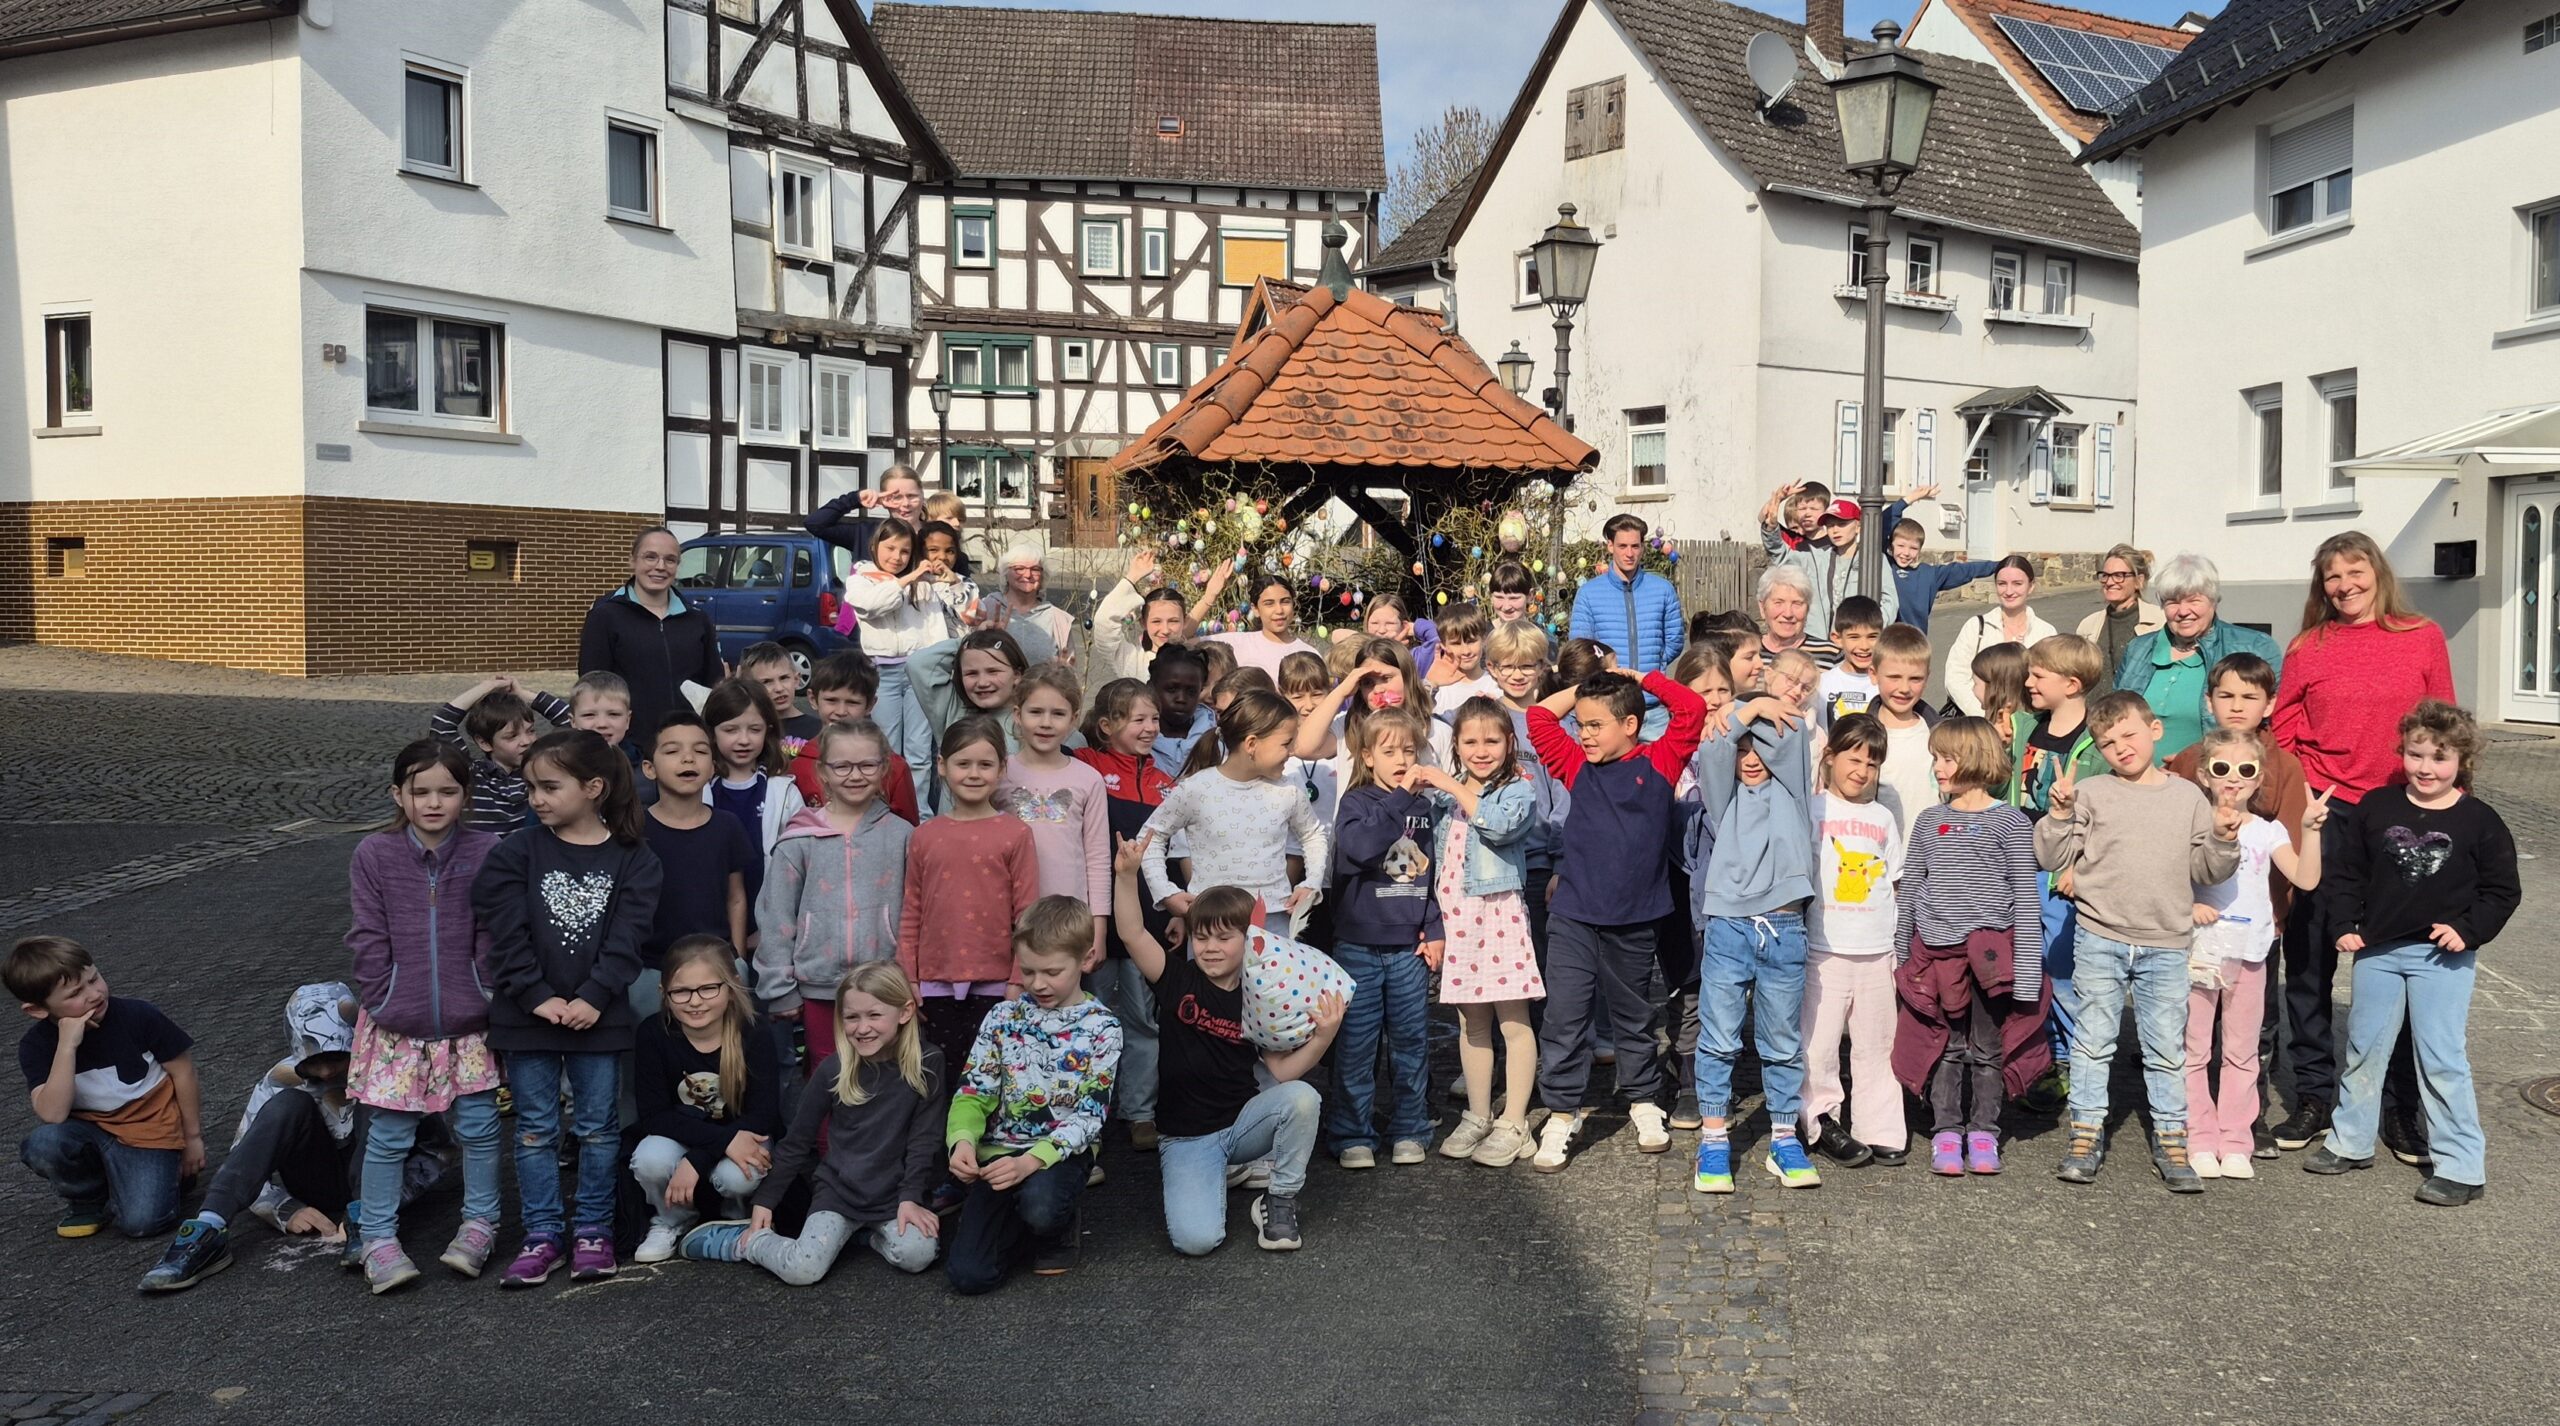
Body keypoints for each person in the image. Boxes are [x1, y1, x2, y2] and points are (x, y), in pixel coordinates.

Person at [2267, 531, 2453, 1152]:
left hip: (2402, 812)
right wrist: (2303, 793)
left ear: (2378, 572)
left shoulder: (2422, 636)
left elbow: (2444, 727)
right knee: (2311, 956)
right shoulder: (2309, 645)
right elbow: (2283, 729)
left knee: (2400, 957)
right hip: (2327, 812)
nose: (2344, 585)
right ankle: (2313, 1095)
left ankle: (2400, 1107)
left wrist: (2450, 808)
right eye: (2332, 576)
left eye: (2355, 571)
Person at [2305, 702, 2519, 1207]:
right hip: (2378, 950)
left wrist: (2468, 929)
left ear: (2462, 761)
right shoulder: (2376, 807)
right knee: (2364, 1047)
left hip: (2441, 959)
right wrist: (2344, 924)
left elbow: (2502, 890)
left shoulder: (2480, 820)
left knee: (2441, 1057)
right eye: (2415, 754)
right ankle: (2351, 1140)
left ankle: (2461, 1166)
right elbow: (2346, 873)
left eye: (2440, 758)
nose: (2426, 768)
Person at [473, 730, 662, 1287]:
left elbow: (628, 938)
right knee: (535, 1130)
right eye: (530, 787)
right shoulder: (516, 851)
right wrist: (537, 995)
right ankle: (542, 1234)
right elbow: (504, 934)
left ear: (593, 787)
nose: (536, 798)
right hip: (525, 1018)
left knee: (598, 1129)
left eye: (550, 787)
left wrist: (593, 996)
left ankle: (593, 1231)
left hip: (598, 1020)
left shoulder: (634, 859)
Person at [2036, 692, 2240, 1192]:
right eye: (2108, 743)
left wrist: (2222, 837)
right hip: (2100, 935)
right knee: (2092, 1042)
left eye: (2129, 734)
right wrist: (2059, 813)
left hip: (2166, 941)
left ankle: (2172, 1139)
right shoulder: (2091, 793)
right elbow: (2050, 857)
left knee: (2166, 1047)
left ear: (2154, 730)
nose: (2121, 748)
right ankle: (2085, 1135)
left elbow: (2207, 870)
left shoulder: (2189, 797)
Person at [1111, 838, 1345, 1254]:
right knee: (1197, 1241)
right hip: (1186, 1137)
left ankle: (1279, 1198)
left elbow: (1282, 1072)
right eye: (1202, 938)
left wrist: (1324, 1035)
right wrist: (1127, 876)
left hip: (1241, 1127)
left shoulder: (1262, 995)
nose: (1211, 948)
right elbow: (1131, 933)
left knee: (1303, 1098)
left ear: (1249, 939)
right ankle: (1213, 1174)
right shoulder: (1176, 977)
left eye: (1223, 938)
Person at [140, 983, 450, 1294]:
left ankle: (367, 1222)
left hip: (381, 1184)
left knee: (377, 1096)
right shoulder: (281, 1078)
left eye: (335, 1058)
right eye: (314, 1063)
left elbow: (438, 1150)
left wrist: (386, 1202)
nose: (326, 1072)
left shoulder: (391, 1068)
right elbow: (244, 1159)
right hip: (318, 1181)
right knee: (287, 1103)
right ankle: (208, 1228)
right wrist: (283, 1208)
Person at [1523, 666, 1708, 1171]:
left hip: (1636, 919)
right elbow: (1539, 717)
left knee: (1633, 1017)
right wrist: (1589, 687)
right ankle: (1562, 1112)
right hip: (1574, 917)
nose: (1583, 734)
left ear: (1630, 725)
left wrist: (1641, 679)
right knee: (1565, 1017)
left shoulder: (1660, 761)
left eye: (1595, 725)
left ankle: (1643, 1100)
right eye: (1580, 724)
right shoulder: (1574, 764)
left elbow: (1691, 709)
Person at [341, 739, 505, 1285]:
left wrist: (483, 993)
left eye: (447, 791)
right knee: (389, 1134)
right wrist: (383, 997)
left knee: (479, 1127)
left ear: (466, 795)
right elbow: (368, 933)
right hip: (396, 1024)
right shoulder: (374, 854)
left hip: (471, 1024)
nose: (434, 803)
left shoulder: (487, 850)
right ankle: (377, 1238)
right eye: (421, 791)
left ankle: (480, 1224)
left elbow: (493, 932)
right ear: (398, 794)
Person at [679, 962, 946, 1282]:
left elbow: (924, 1139)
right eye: (852, 1017)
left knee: (917, 1254)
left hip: (893, 1197)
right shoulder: (834, 1069)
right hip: (839, 1195)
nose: (862, 1028)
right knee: (803, 1270)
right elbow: (796, 1142)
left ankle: (865, 1237)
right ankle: (743, 1243)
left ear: (905, 1012)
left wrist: (911, 1198)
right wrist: (765, 1201)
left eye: (874, 1015)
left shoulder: (927, 1063)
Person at [1890, 718, 2046, 1177]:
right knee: (1945, 1044)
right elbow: (1911, 887)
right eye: (1935, 758)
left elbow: (2025, 896)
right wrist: (1902, 953)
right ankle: (1945, 1130)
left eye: (1947, 758)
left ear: (1975, 758)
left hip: (1991, 962)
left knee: (1987, 1047)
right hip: (1937, 954)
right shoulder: (1929, 820)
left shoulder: (2010, 822)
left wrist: (2028, 971)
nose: (1938, 767)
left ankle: (1983, 1132)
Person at [943, 897, 1122, 1291]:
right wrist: (962, 1140)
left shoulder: (1103, 1027)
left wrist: (1029, 1163)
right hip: (998, 1155)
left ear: (1086, 959)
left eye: (1052, 972)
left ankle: (1054, 1226)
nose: (1038, 984)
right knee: (970, 1276)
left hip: (1060, 1154)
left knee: (1041, 1206)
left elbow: (1090, 1117)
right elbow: (973, 1090)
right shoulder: (1001, 1017)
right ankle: (1016, 1222)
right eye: (1027, 971)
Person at [2181, 731, 2328, 1180]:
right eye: (2221, 768)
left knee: (2242, 1052)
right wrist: (2189, 905)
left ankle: (2235, 1140)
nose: (2233, 778)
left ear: (2259, 777)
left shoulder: (2268, 830)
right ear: (2204, 775)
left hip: (2250, 952)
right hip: (2199, 952)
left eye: (2246, 769)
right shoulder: (2192, 823)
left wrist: (2310, 831)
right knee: (2193, 1050)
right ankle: (2198, 1136)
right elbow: (2169, 877)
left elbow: (2305, 879)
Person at [1688, 687, 1819, 1192]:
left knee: (1782, 1042)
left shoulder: (1792, 791)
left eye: (1759, 747)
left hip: (1784, 929)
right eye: (1743, 748)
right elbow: (1713, 749)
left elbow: (1793, 737)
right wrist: (1748, 710)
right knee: (1719, 1038)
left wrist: (1764, 711)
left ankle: (1784, 1138)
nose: (1750, 758)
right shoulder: (1725, 798)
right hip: (1729, 926)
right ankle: (1714, 1138)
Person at [1411, 698, 1545, 1168]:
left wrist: (1449, 783)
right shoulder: (1445, 799)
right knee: (1471, 1022)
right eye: (1470, 741)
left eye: (1491, 740)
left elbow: (1501, 827)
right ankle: (1478, 1113)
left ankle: (1515, 1122)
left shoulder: (1517, 789)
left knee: (1513, 1020)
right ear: (1457, 744)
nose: (1481, 750)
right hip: (1458, 919)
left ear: (1510, 742)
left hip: (1499, 916)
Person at [11, 935, 203, 1241]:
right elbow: (53, 1114)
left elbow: (184, 1073)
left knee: (142, 1223)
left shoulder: (139, 1016)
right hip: (92, 1132)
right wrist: (66, 1046)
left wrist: (192, 1138)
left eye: (94, 978)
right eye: (76, 993)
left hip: (151, 1133)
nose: (94, 994)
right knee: (43, 1143)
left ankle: (167, 1177)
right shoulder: (36, 1045)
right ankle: (89, 1198)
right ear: (37, 1010)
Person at [756, 719, 913, 1073]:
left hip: (885, 985)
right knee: (828, 1073)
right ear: (823, 771)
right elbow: (776, 915)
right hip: (820, 986)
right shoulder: (800, 838)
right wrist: (779, 987)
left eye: (867, 765)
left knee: (885, 1074)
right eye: (842, 766)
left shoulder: (903, 835)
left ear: (884, 769)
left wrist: (910, 977)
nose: (855, 775)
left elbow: (916, 913)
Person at [1325, 707, 1444, 1169]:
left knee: (1412, 1041)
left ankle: (1410, 1127)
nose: (1402, 759)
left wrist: (1434, 929)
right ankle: (1353, 1133)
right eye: (1389, 751)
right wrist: (1397, 800)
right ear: (1367, 756)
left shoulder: (1424, 809)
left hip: (1408, 946)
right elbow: (1358, 849)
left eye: (1409, 751)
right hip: (1358, 945)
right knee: (1356, 1043)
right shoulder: (1356, 803)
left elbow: (1429, 876)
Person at [898, 716, 1041, 1075]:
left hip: (997, 985)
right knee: (940, 1079)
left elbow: (1028, 915)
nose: (974, 774)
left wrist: (1017, 980)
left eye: (985, 765)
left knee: (992, 1080)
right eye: (963, 764)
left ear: (1002, 768)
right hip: (934, 986)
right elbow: (912, 909)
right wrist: (909, 977)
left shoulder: (1016, 834)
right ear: (942, 766)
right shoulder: (924, 835)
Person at [629, 939, 782, 1263]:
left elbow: (763, 1115)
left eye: (708, 988)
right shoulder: (653, 1034)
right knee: (650, 1159)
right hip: (684, 1134)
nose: (695, 1001)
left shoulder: (753, 1032)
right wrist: (714, 1146)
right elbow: (654, 1116)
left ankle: (734, 1218)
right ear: (664, 993)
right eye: (681, 992)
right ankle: (671, 1219)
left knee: (738, 1175)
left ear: (731, 987)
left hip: (744, 1136)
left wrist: (697, 1160)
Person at [1798, 714, 1906, 1170]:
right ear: (1830, 757)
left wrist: (1896, 942)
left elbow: (1894, 881)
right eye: (1853, 759)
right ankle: (1819, 1118)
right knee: (1819, 1042)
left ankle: (1879, 1126)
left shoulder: (1883, 816)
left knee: (1877, 1042)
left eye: (1871, 764)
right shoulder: (1813, 808)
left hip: (1877, 948)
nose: (1861, 771)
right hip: (1825, 947)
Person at [1073, 679, 1174, 1148]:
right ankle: (1085, 1114)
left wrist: (1176, 910)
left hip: (1145, 921)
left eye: (1154, 718)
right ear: (1106, 725)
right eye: (1138, 719)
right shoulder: (1084, 766)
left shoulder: (1165, 782)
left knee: (1142, 1018)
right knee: (1089, 1016)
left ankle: (1140, 1111)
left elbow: (1173, 854)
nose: (1150, 727)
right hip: (1092, 915)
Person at [1141, 690, 1331, 925]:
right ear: (1251, 744)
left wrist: (1311, 882)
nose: (1292, 751)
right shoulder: (1197, 789)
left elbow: (1312, 835)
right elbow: (1150, 838)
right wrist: (1166, 892)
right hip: (1211, 927)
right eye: (1286, 743)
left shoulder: (1288, 788)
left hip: (1274, 923)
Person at [637, 710, 756, 1020]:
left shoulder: (727, 826)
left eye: (700, 751)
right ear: (649, 768)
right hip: (650, 969)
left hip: (718, 968)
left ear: (713, 766)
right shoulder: (635, 830)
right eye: (673, 751)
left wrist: (737, 958)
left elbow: (736, 897)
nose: (688, 758)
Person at [998, 665, 1112, 968]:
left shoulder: (1088, 779)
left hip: (1069, 921)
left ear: (1074, 719)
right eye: (1036, 712)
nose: (1046, 723)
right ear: (1017, 714)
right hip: (1009, 915)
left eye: (1058, 714)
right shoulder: (999, 773)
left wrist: (1098, 929)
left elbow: (1098, 858)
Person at [2114, 554, 2282, 759]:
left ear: (2213, 602)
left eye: (2194, 600)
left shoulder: (2253, 647)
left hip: (2213, 773)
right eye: (2172, 602)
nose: (2183, 611)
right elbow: (2114, 714)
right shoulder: (2139, 649)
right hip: (2134, 773)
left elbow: (2272, 724)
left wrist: (2192, 762)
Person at [848, 515, 959, 812]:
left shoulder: (924, 584)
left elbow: (944, 623)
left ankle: (919, 812)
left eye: (905, 551)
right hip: (882, 673)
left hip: (917, 672)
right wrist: (907, 579)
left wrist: (949, 581)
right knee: (886, 747)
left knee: (920, 750)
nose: (897, 557)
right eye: (891, 548)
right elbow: (873, 606)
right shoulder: (861, 579)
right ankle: (888, 810)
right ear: (875, 546)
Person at [579, 527, 724, 743]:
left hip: (686, 743)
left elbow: (714, 684)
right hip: (630, 746)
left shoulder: (697, 619)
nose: (660, 566)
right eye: (650, 557)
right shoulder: (605, 616)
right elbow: (592, 687)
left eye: (670, 560)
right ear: (632, 561)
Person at [787, 652, 921, 824]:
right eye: (831, 700)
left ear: (870, 704)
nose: (841, 711)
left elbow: (908, 831)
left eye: (852, 702)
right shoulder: (799, 766)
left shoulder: (893, 767)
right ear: (813, 699)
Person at [1764, 498, 1900, 640]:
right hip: (1819, 640)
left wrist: (1870, 632)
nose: (1835, 530)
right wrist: (1771, 528)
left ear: (1858, 526)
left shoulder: (1873, 559)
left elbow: (1890, 601)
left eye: (1842, 524)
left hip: (1856, 641)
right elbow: (1781, 556)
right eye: (1830, 525)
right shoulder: (1816, 558)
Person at [703, 677, 807, 861]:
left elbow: (802, 851)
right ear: (711, 733)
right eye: (731, 730)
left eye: (754, 730)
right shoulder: (699, 788)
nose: (744, 740)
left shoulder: (785, 792)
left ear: (768, 731)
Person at [1569, 513, 1683, 677]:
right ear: (1610, 546)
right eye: (1622, 546)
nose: (1629, 553)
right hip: (1609, 690)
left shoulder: (1663, 590)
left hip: (1651, 690)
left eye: (1635, 546)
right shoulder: (1588, 593)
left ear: (1642, 547)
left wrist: (1657, 663)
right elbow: (1581, 648)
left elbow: (1675, 640)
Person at [1944, 557, 2057, 717]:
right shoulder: (1976, 627)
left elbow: (2050, 681)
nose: (2009, 591)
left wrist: (2025, 720)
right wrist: (1985, 715)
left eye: (2017, 584)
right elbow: (1956, 678)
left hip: (2030, 722)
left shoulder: (2045, 632)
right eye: (2002, 584)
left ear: (2031, 586)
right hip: (1980, 722)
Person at [429, 676, 545, 831]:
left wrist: (523, 694)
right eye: (512, 736)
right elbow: (442, 724)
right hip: (480, 847)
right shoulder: (472, 773)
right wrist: (487, 686)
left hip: (527, 846)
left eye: (531, 731)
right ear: (484, 742)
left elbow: (572, 725)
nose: (526, 741)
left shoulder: (539, 769)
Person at [1870, 624, 1943, 847]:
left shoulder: (1941, 735)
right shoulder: (1861, 737)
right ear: (1873, 674)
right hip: (1881, 857)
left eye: (1915, 679)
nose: (1904, 688)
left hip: (1934, 855)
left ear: (1927, 678)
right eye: (1894, 677)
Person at [1093, 548, 1208, 683]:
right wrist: (1132, 577)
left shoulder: (1197, 663)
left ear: (1185, 621)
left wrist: (1210, 597)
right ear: (1143, 623)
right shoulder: (1134, 663)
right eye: (1156, 621)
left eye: (1173, 621)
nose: (1165, 630)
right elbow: (1104, 623)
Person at [1886, 512, 1997, 633]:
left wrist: (1999, 565)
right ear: (1891, 546)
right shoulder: (1884, 567)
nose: (1906, 553)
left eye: (1913, 548)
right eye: (1901, 545)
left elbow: (1965, 570)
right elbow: (1881, 521)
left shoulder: (1928, 575)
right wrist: (1906, 502)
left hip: (1915, 641)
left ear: (1919, 550)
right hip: (1885, 641)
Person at [2076, 545, 2163, 696]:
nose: (2109, 582)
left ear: (2139, 581)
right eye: (2105, 575)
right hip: (2093, 709)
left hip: (2137, 709)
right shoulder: (2088, 626)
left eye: (2119, 575)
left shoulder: (2160, 622)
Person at [804, 465, 928, 568]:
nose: (906, 504)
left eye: (912, 496)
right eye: (897, 498)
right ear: (883, 499)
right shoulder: (865, 533)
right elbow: (815, 524)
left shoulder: (935, 535)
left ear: (922, 496)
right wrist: (855, 499)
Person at [1209, 573, 1325, 681]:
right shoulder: (1237, 644)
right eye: (1269, 603)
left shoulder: (1308, 654)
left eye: (1285, 602)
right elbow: (1196, 643)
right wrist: (1208, 598)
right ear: (1255, 609)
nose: (1279, 610)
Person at [740, 641, 823, 766]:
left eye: (784, 678)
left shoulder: (818, 729)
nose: (779, 688)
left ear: (796, 679)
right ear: (750, 688)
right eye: (767, 682)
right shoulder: (747, 731)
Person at [991, 544, 1075, 668]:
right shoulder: (987, 608)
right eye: (1019, 568)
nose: (1028, 575)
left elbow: (1069, 670)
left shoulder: (1058, 620)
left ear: (1043, 576)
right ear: (1005, 573)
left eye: (1035, 569)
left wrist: (1062, 672)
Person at [1816, 595, 1886, 727]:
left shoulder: (1886, 683)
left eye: (1872, 637)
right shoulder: (1821, 684)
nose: (1864, 646)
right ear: (1837, 639)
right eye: (1854, 637)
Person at [1756, 564, 1840, 670]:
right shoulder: (1748, 654)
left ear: (1808, 608)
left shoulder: (1832, 656)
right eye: (1779, 603)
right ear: (1762, 607)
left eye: (1797, 603)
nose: (1788, 614)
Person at [1147, 644, 1213, 779]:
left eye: (1191, 691)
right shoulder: (1133, 739)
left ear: (1200, 691)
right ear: (1151, 687)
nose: (1181, 699)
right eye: (1171, 689)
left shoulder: (1215, 739)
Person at [1427, 605, 1501, 715]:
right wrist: (1430, 683)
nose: (1466, 651)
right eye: (1456, 644)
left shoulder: (1497, 684)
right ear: (1443, 645)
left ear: (1484, 639)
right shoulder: (1437, 690)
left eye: (1471, 641)